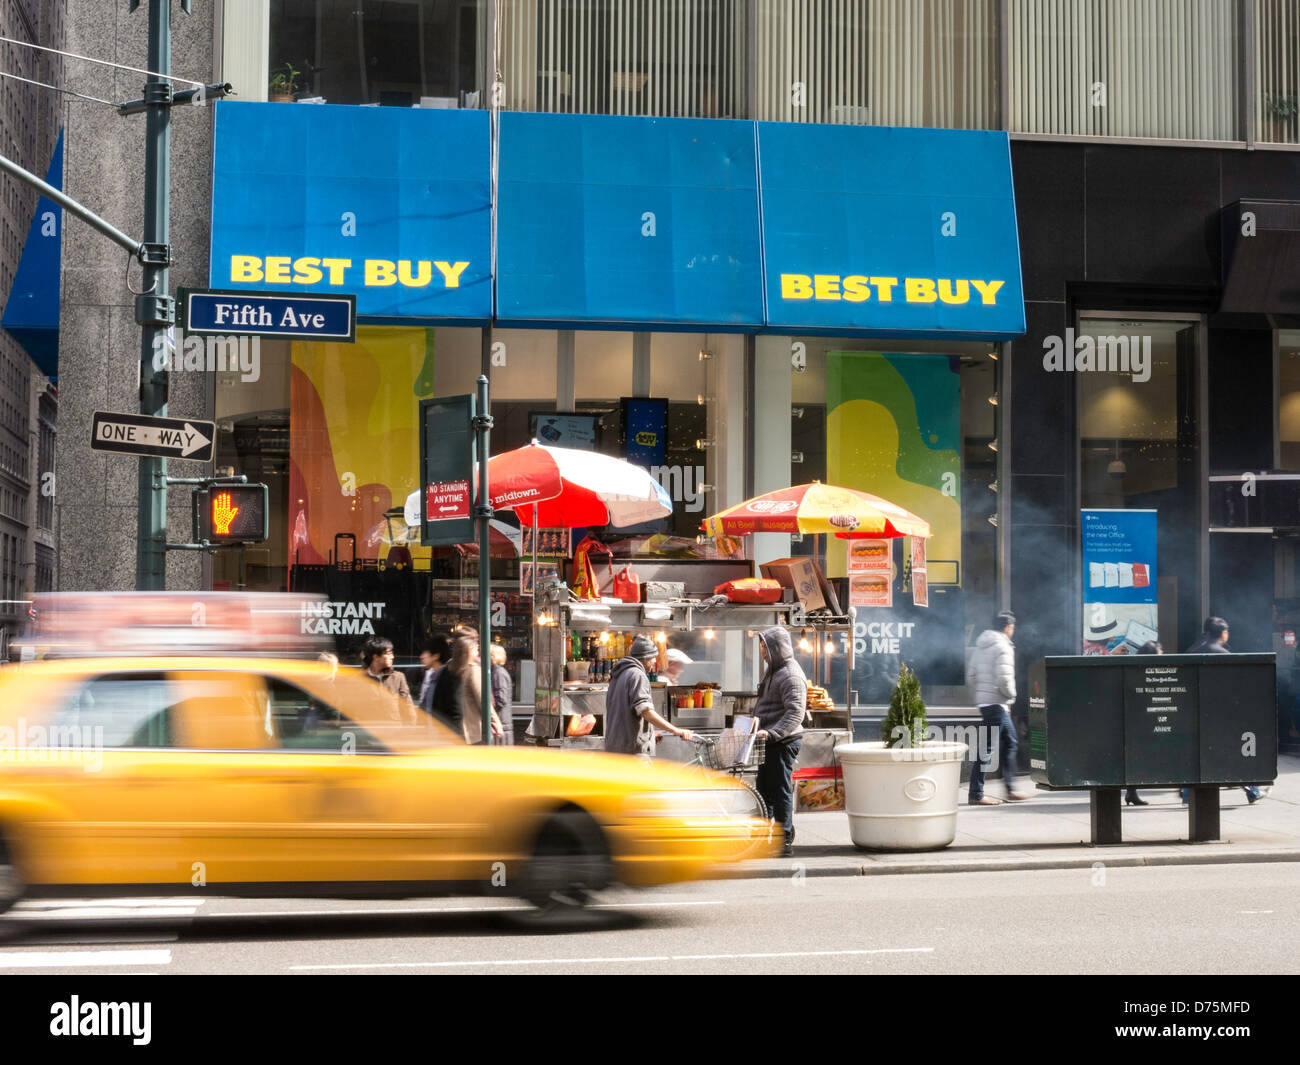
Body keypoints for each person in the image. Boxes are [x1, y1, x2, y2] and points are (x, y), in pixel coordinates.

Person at [1184, 617, 1267, 804]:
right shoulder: (1221, 653)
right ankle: (1252, 789)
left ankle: (1188, 793)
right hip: (1219, 714)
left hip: (1194, 712)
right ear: (1222, 633)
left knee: (1197, 754)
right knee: (1235, 753)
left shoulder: (1193, 649)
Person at [966, 611, 1032, 805]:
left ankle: (1010, 789)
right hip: (997, 704)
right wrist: (1011, 696)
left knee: (1010, 741)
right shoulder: (1003, 646)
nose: (1013, 631)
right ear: (1007, 628)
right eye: (1012, 628)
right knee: (987, 749)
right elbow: (1004, 679)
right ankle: (976, 794)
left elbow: (971, 677)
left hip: (987, 703)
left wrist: (982, 695)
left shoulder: (980, 646)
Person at [753, 626, 807, 856]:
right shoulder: (774, 670)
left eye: (765, 646)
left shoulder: (791, 675)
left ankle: (783, 839)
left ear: (776, 648)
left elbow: (795, 713)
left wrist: (773, 733)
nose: (762, 651)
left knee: (780, 789)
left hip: (783, 741)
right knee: (765, 788)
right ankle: (773, 834)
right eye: (762, 646)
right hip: (771, 739)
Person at [604, 635, 693, 758]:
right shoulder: (637, 675)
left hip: (616, 750)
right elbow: (646, 711)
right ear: (645, 658)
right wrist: (675, 730)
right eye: (653, 658)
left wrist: (650, 734)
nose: (655, 662)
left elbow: (625, 715)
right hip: (633, 754)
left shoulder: (619, 675)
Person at [1126, 641, 1163, 806]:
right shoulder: (1147, 671)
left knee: (1134, 757)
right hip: (1139, 721)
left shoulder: (1136, 669)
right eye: (1160, 651)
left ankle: (1131, 792)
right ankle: (1131, 792)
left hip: (1137, 720)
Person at [362, 637, 413, 703]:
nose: (392, 657)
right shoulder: (359, 679)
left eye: (392, 653)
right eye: (388, 654)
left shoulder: (398, 678)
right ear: (376, 657)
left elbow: (408, 707)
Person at [417, 635, 450, 714]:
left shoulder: (447, 680)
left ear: (436, 656)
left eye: (425, 653)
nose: (421, 657)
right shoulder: (433, 677)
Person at [490, 643, 514, 746]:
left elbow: (500, 698)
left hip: (501, 725)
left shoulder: (498, 673)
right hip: (502, 724)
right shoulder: (497, 672)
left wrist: (490, 713)